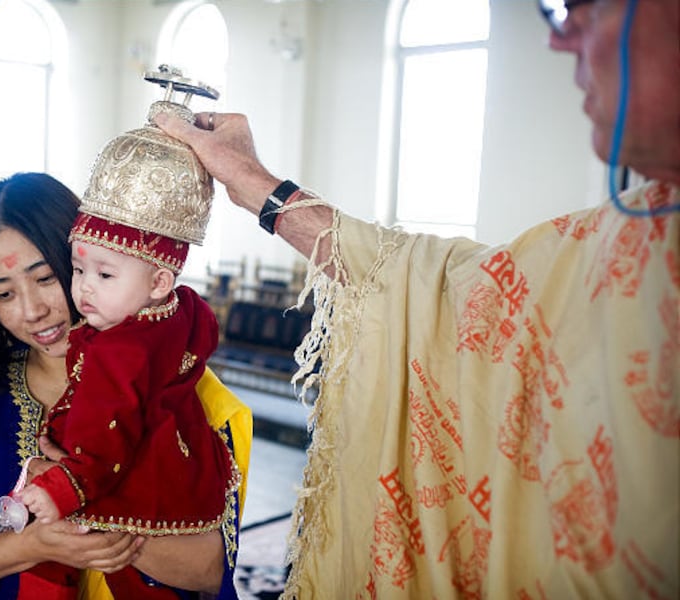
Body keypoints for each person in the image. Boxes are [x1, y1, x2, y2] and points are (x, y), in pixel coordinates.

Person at [154, 0, 679, 598]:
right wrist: (256, 185)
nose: (562, 41)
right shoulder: (626, 236)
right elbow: (436, 284)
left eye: (583, 8)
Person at [0, 172, 248, 599]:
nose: (32, 311)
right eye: (4, 295)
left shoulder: (182, 386)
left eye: (45, 279)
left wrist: (82, 501)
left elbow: (210, 568)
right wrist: (29, 545)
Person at [12, 179, 240, 598]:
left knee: (96, 565)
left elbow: (106, 430)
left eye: (104, 274)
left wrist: (65, 488)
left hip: (127, 479)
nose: (85, 288)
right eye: (79, 270)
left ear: (158, 283)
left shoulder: (119, 351)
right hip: (183, 469)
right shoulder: (179, 312)